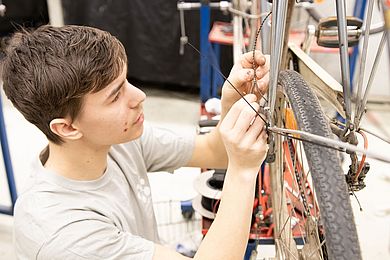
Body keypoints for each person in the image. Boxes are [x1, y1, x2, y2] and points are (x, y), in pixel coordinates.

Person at [1, 25, 269, 259]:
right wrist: (243, 171)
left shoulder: (117, 141)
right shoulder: (66, 235)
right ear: (67, 127)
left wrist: (231, 102)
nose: (139, 96)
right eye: (115, 96)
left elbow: (214, 152)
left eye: (126, 80)